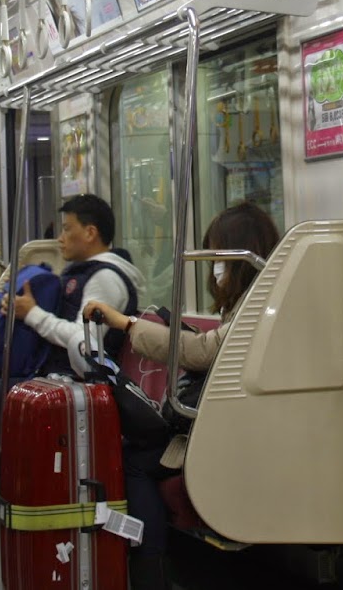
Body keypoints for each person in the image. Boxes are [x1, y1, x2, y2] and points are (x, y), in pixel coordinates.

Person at [81, 203, 281, 590]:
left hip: (240, 431)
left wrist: (126, 323)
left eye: (218, 256)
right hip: (237, 419)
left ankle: (150, 572)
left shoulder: (259, 304)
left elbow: (202, 352)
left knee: (136, 462)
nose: (214, 267)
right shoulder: (263, 297)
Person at [0, 194, 143, 525]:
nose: (60, 238)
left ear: (90, 232)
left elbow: (84, 343)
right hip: (49, 372)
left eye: (67, 229)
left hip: (78, 383)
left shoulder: (106, 279)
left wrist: (32, 315)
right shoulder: (79, 272)